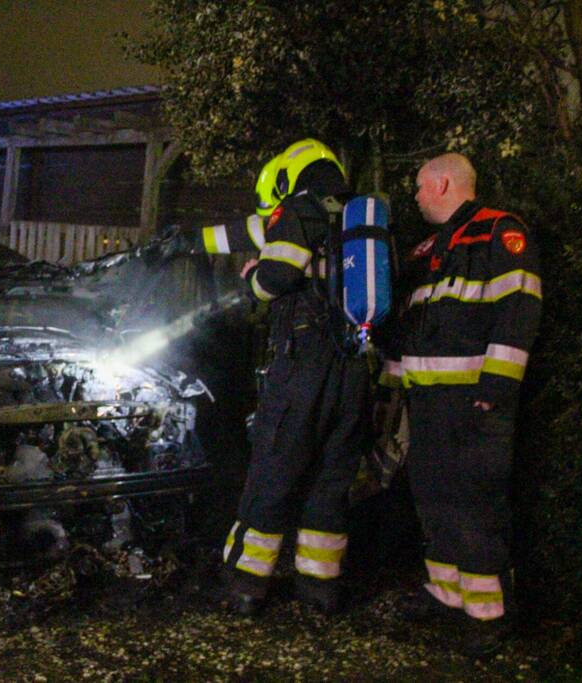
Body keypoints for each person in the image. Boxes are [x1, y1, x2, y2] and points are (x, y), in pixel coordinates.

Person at [381, 153, 541, 657]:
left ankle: (489, 616)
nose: (415, 197)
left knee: (475, 505)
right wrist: (393, 384)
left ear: (443, 183)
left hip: (474, 401)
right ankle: (447, 593)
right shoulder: (428, 248)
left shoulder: (499, 232)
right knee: (433, 498)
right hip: (428, 401)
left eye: (419, 187)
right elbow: (411, 324)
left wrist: (495, 388)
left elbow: (519, 307)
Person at [213, 138, 373, 616]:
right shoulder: (358, 215)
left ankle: (245, 586)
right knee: (331, 478)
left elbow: (276, 278)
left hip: (304, 362)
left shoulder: (299, 209)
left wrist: (252, 277)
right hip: (355, 365)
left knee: (273, 469)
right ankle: (320, 588)